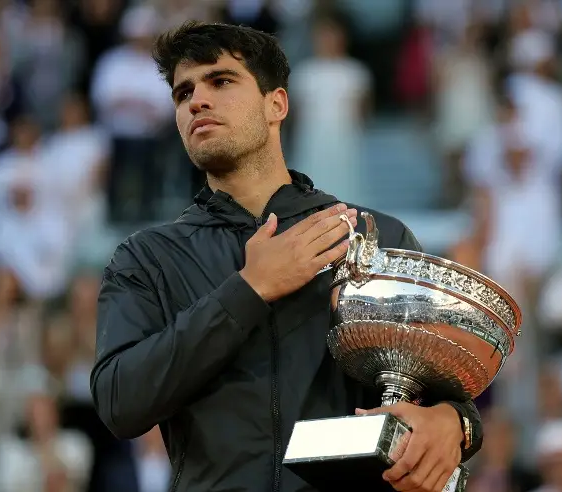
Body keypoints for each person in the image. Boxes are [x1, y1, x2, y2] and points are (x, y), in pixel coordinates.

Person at [90, 21, 483, 492]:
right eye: (182, 93)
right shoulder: (146, 258)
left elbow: (445, 397)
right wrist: (248, 290)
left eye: (221, 81)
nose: (197, 101)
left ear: (276, 104)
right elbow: (120, 403)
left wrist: (455, 423)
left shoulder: (375, 235)